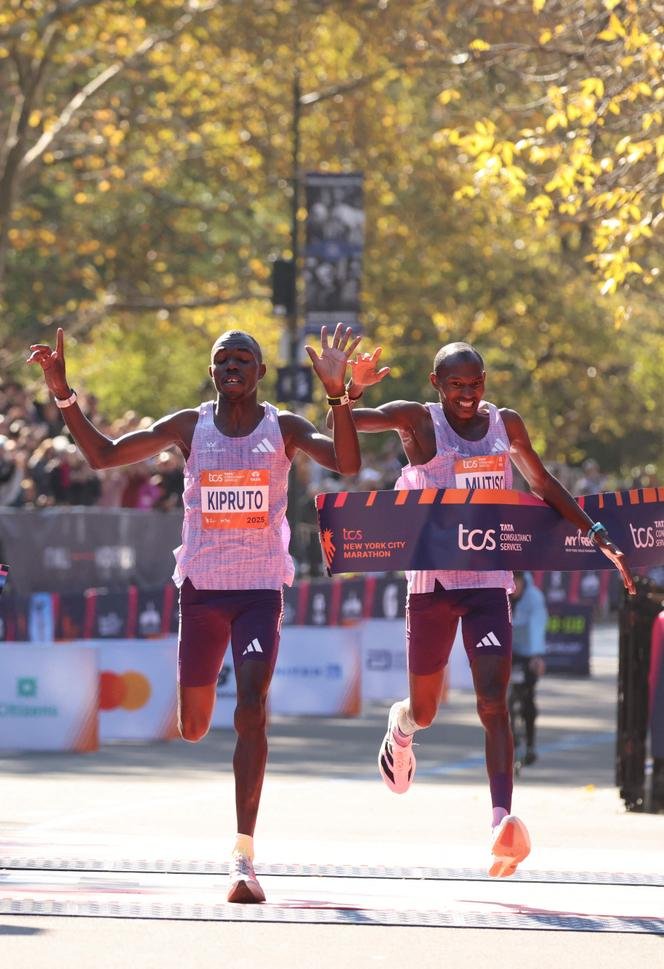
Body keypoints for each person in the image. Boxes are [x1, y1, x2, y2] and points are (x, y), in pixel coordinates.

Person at [28, 322, 362, 903]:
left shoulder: (282, 428)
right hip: (203, 590)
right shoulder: (190, 427)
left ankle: (244, 855)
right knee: (196, 725)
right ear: (212, 373)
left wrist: (337, 397)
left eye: (243, 359)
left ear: (260, 373)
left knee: (253, 709)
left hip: (260, 589)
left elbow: (347, 463)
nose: (232, 367)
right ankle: (223, 793)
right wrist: (63, 392)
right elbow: (105, 456)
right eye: (222, 359)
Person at [341, 341, 635, 877]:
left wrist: (597, 534)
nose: (468, 395)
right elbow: (355, 423)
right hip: (432, 582)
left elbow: (542, 483)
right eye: (456, 385)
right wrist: (346, 392)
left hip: (486, 581)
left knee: (493, 703)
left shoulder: (507, 425)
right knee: (426, 710)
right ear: (436, 383)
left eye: (475, 384)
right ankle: (402, 727)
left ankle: (502, 822)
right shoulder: (419, 422)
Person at [509, 571, 548, 766]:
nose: (513, 587)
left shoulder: (534, 598)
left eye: (516, 582)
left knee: (528, 698)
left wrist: (536, 656)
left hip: (528, 653)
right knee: (503, 699)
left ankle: (531, 745)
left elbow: (537, 627)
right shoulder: (501, 593)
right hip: (507, 651)